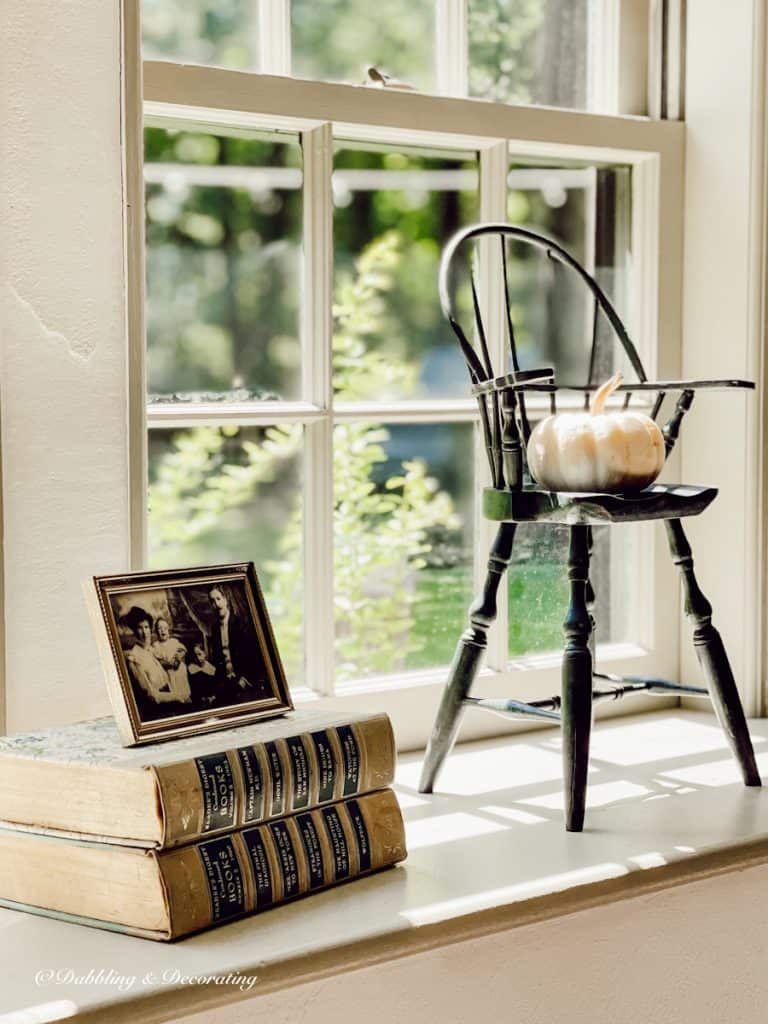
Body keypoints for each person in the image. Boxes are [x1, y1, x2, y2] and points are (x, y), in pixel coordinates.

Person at [207, 584, 269, 703]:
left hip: (244, 681)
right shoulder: (214, 628)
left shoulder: (241, 624)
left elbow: (254, 657)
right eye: (212, 601)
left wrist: (245, 680)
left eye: (218, 599)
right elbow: (217, 659)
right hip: (225, 682)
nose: (216, 604)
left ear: (226, 599)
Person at [123, 607, 177, 719]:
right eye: (139, 628)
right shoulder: (134, 658)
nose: (144, 632)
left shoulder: (151, 650)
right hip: (158, 711)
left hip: (171, 704)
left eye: (146, 627)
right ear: (134, 630)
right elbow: (151, 696)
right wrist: (177, 697)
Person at [151, 617, 191, 705]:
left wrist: (178, 657)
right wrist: (169, 664)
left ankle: (185, 698)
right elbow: (158, 660)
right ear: (156, 632)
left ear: (168, 630)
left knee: (182, 685)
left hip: (178, 669)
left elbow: (183, 650)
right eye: (159, 628)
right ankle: (176, 699)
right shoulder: (156, 645)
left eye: (165, 628)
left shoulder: (174, 641)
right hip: (167, 671)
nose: (162, 631)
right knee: (172, 690)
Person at [187, 637, 218, 708]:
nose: (198, 658)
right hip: (198, 699)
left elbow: (214, 687)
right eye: (195, 656)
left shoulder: (211, 668)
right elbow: (192, 689)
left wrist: (212, 697)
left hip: (211, 698)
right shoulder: (191, 669)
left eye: (199, 654)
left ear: (205, 653)